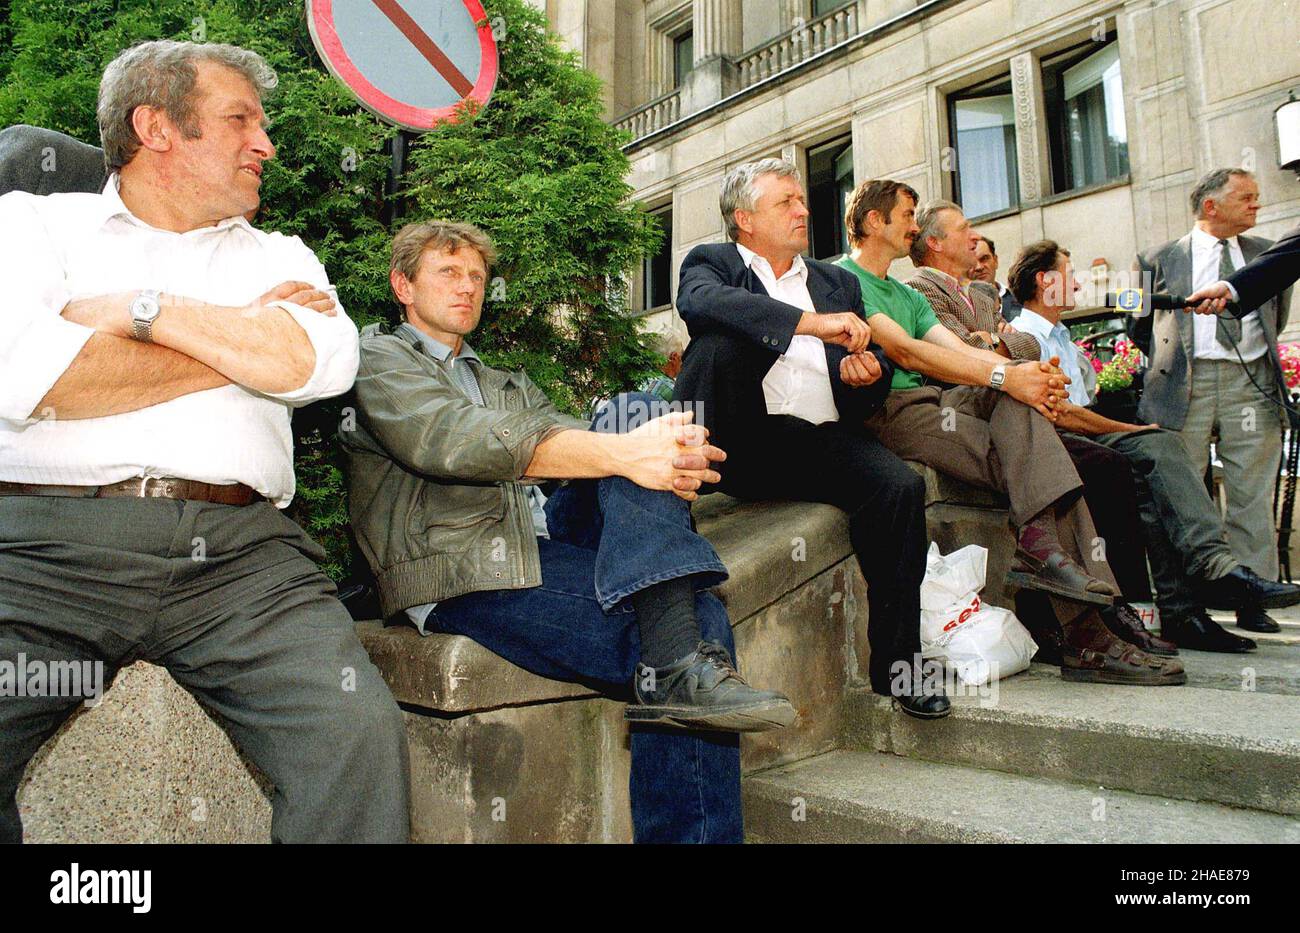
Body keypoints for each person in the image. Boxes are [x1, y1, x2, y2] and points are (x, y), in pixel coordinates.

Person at [0, 40, 409, 843]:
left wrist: (139, 310)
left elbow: (319, 363)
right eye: (240, 121)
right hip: (41, 554)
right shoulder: (31, 224)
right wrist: (239, 351)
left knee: (356, 733)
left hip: (245, 566)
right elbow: (30, 376)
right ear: (155, 127)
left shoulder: (283, 255)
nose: (267, 144)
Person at [343, 220, 795, 844]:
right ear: (403, 284)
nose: (468, 287)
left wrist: (664, 455)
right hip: (459, 568)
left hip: (541, 549)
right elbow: (448, 439)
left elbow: (581, 442)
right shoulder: (375, 358)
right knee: (693, 619)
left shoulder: (501, 381)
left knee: (632, 415)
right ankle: (677, 672)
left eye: (477, 276)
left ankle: (676, 666)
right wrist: (625, 454)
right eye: (449, 272)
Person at [833, 179, 1185, 686]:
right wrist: (1005, 372)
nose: (914, 225)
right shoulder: (842, 281)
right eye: (908, 215)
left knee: (1032, 439)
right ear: (874, 222)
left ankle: (1045, 554)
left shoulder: (904, 293)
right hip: (893, 410)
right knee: (1042, 464)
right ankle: (1091, 635)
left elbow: (958, 352)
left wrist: (1019, 376)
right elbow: (909, 354)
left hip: (944, 400)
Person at [671, 159, 950, 718]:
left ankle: (899, 666)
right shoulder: (714, 263)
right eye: (787, 203)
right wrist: (812, 324)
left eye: (802, 200)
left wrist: (865, 378)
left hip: (815, 442)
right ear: (745, 219)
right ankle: (672, 502)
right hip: (732, 441)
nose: (803, 210)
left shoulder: (835, 281)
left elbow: (860, 384)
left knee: (898, 487)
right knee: (720, 342)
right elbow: (702, 305)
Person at [905, 201, 1171, 657]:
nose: (975, 237)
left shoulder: (984, 295)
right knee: (1102, 465)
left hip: (1015, 406)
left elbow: (1021, 347)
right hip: (977, 413)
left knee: (1111, 464)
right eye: (964, 229)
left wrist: (990, 343)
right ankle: (1099, 609)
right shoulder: (920, 290)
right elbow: (960, 357)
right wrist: (993, 345)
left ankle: (1113, 605)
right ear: (934, 243)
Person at [1007, 240, 1300, 651]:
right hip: (1057, 445)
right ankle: (1209, 573)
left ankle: (1184, 610)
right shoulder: (1024, 336)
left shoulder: (1060, 335)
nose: (1078, 284)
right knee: (1157, 445)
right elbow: (1061, 414)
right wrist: (1129, 430)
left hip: (1085, 440)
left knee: (1152, 481)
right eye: (1070, 274)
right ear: (1045, 280)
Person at [1130, 168, 1294, 633]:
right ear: (1210, 206)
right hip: (1184, 384)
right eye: (1246, 198)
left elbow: (1273, 316)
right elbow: (1139, 326)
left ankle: (1253, 596)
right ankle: (1187, 604)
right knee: (1180, 495)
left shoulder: (1268, 255)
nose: (1255, 206)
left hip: (1250, 380)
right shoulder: (1156, 257)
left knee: (1252, 491)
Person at [1187, 221, 1300, 313]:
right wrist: (1231, 287)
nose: (1256, 205)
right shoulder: (1173, 253)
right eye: (1246, 198)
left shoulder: (1263, 246)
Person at [970, 234, 1023, 322]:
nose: (979, 267)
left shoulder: (1022, 300)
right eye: (971, 263)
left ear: (995, 261)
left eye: (984, 258)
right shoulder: (959, 309)